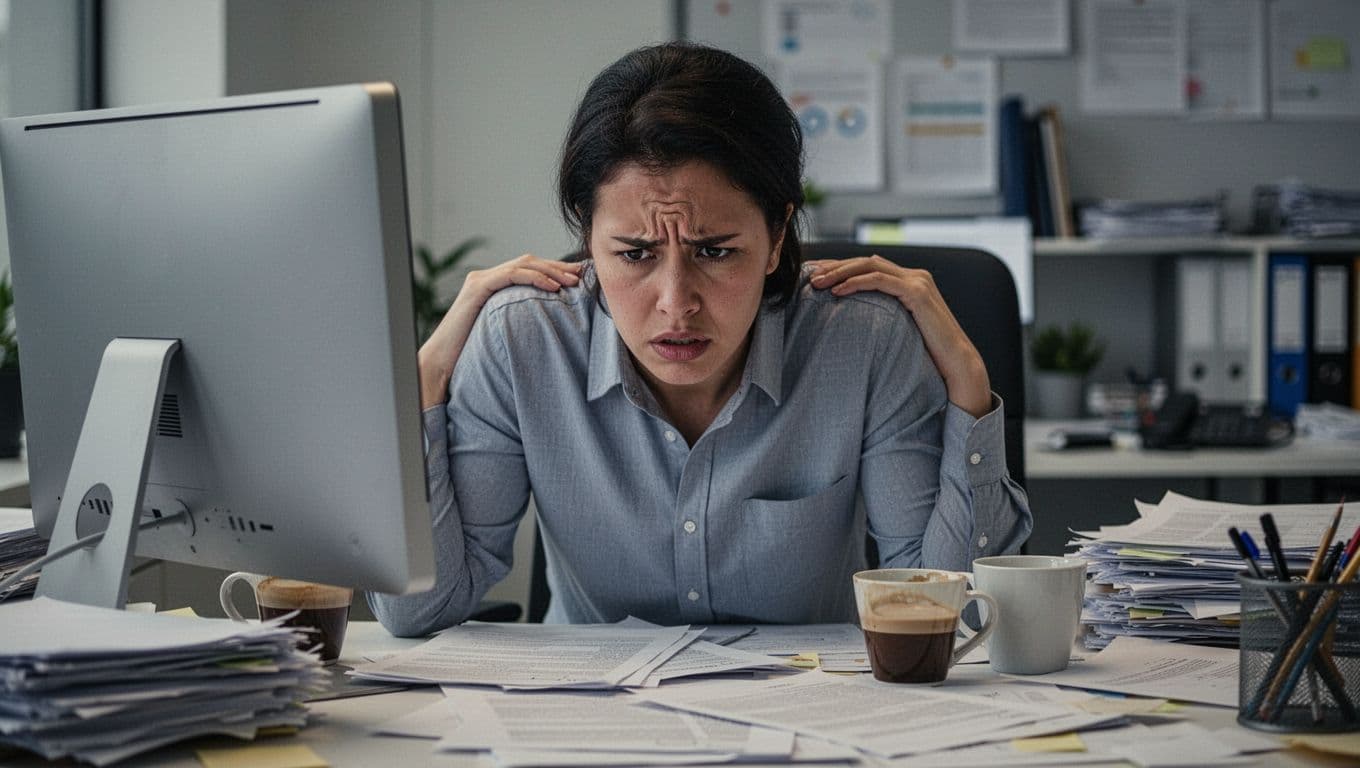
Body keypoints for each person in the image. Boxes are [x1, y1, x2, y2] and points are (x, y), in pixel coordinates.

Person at [370, 42, 1030, 636]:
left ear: (776, 237)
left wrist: (969, 383)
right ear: (587, 236)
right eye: (633, 254)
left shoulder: (862, 342)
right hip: (591, 718)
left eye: (715, 252)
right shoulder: (523, 343)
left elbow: (958, 613)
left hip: (815, 716)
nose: (675, 302)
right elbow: (418, 611)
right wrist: (421, 386)